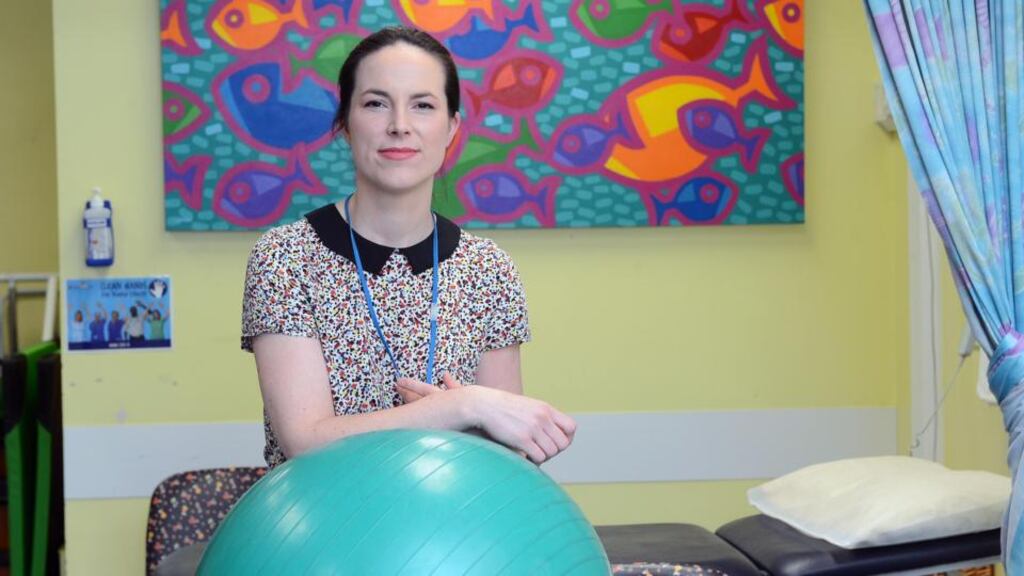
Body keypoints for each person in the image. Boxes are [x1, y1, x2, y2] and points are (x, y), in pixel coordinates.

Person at [242, 26, 575, 469]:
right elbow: (305, 442)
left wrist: (481, 416)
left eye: (423, 105)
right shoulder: (285, 258)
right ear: (344, 123)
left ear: (452, 127)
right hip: (324, 529)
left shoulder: (489, 269)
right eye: (376, 103)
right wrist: (459, 408)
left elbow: (506, 454)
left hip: (456, 528)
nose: (399, 126)